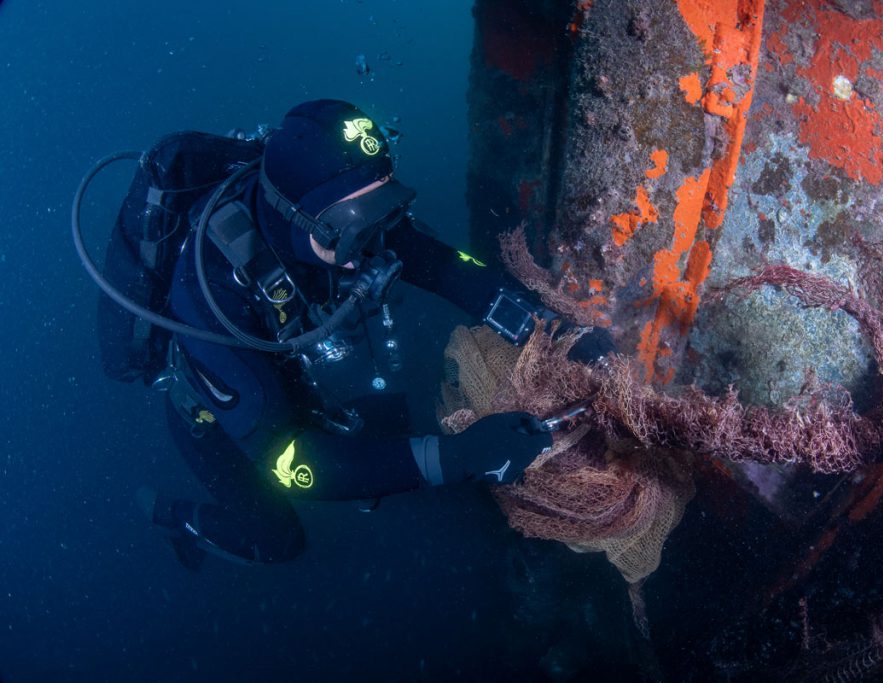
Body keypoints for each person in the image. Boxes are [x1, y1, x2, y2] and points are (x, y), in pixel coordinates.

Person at [130, 99, 613, 567]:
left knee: (390, 430)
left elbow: (445, 268)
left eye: (382, 210)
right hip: (219, 417)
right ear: (295, 219)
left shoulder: (345, 213)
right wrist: (458, 457)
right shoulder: (210, 300)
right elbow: (288, 461)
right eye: (351, 228)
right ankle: (174, 519)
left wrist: (552, 331)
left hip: (289, 369)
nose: (374, 244)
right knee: (278, 539)